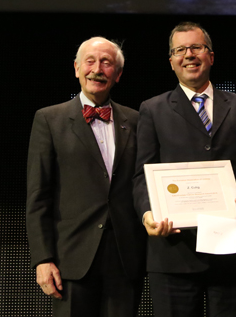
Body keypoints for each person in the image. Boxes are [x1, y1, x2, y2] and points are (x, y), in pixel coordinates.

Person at [132, 22, 236, 317]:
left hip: (232, 250)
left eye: (196, 47)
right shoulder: (152, 109)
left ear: (211, 56)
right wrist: (148, 213)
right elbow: (141, 175)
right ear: (172, 61)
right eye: (180, 50)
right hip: (174, 253)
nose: (189, 55)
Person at [26, 36, 147, 317]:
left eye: (107, 63)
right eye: (90, 61)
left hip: (125, 259)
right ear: (76, 68)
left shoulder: (137, 120)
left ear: (118, 74)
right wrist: (42, 259)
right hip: (71, 260)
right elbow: (38, 197)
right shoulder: (49, 119)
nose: (97, 69)